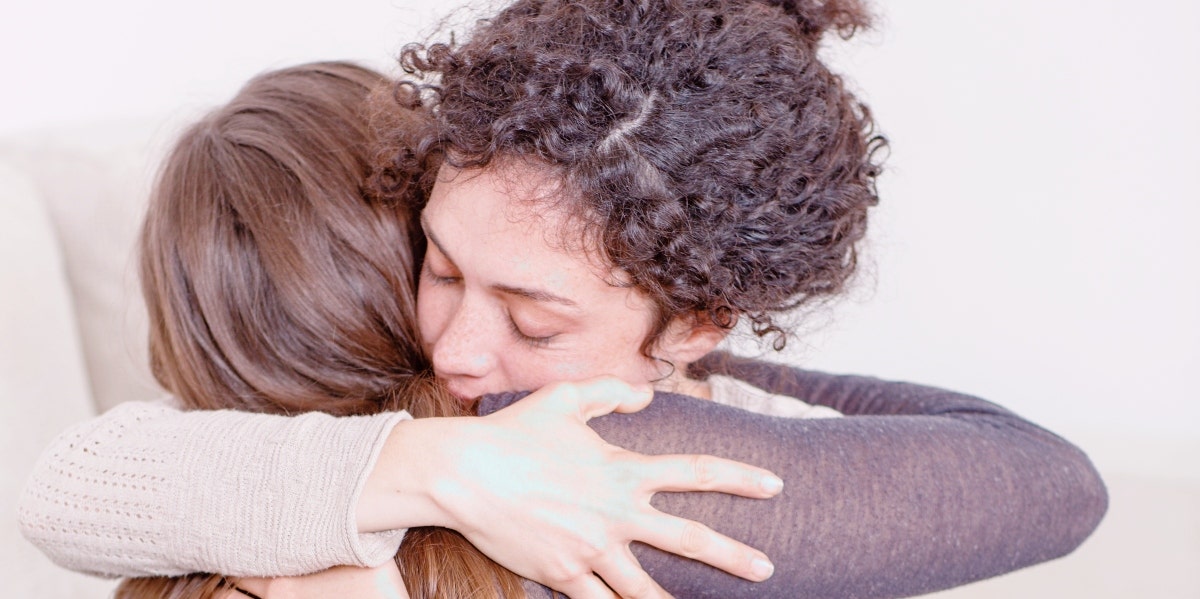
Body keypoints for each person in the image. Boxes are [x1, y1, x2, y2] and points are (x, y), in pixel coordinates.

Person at [19, 1, 1108, 597]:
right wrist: (448, 461)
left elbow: (72, 480)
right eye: (438, 268)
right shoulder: (598, 464)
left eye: (535, 320)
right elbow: (1053, 480)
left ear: (696, 320)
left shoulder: (233, 475)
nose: (454, 349)